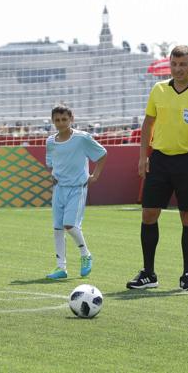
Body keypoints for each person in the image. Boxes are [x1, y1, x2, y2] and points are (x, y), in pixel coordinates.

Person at [126, 45, 188, 291]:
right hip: (159, 160)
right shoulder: (158, 89)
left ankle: (187, 275)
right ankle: (148, 273)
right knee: (148, 214)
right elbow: (148, 124)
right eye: (174, 64)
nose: (178, 69)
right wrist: (142, 156)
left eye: (183, 65)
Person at [45, 105, 107, 279]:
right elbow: (51, 162)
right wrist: (53, 175)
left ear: (71, 119)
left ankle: (85, 254)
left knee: (69, 225)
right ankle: (60, 268)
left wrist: (95, 175)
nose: (61, 123)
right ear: (53, 121)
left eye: (64, 119)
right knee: (57, 228)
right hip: (58, 189)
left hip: (77, 188)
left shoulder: (82, 138)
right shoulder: (50, 141)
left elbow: (102, 154)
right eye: (57, 120)